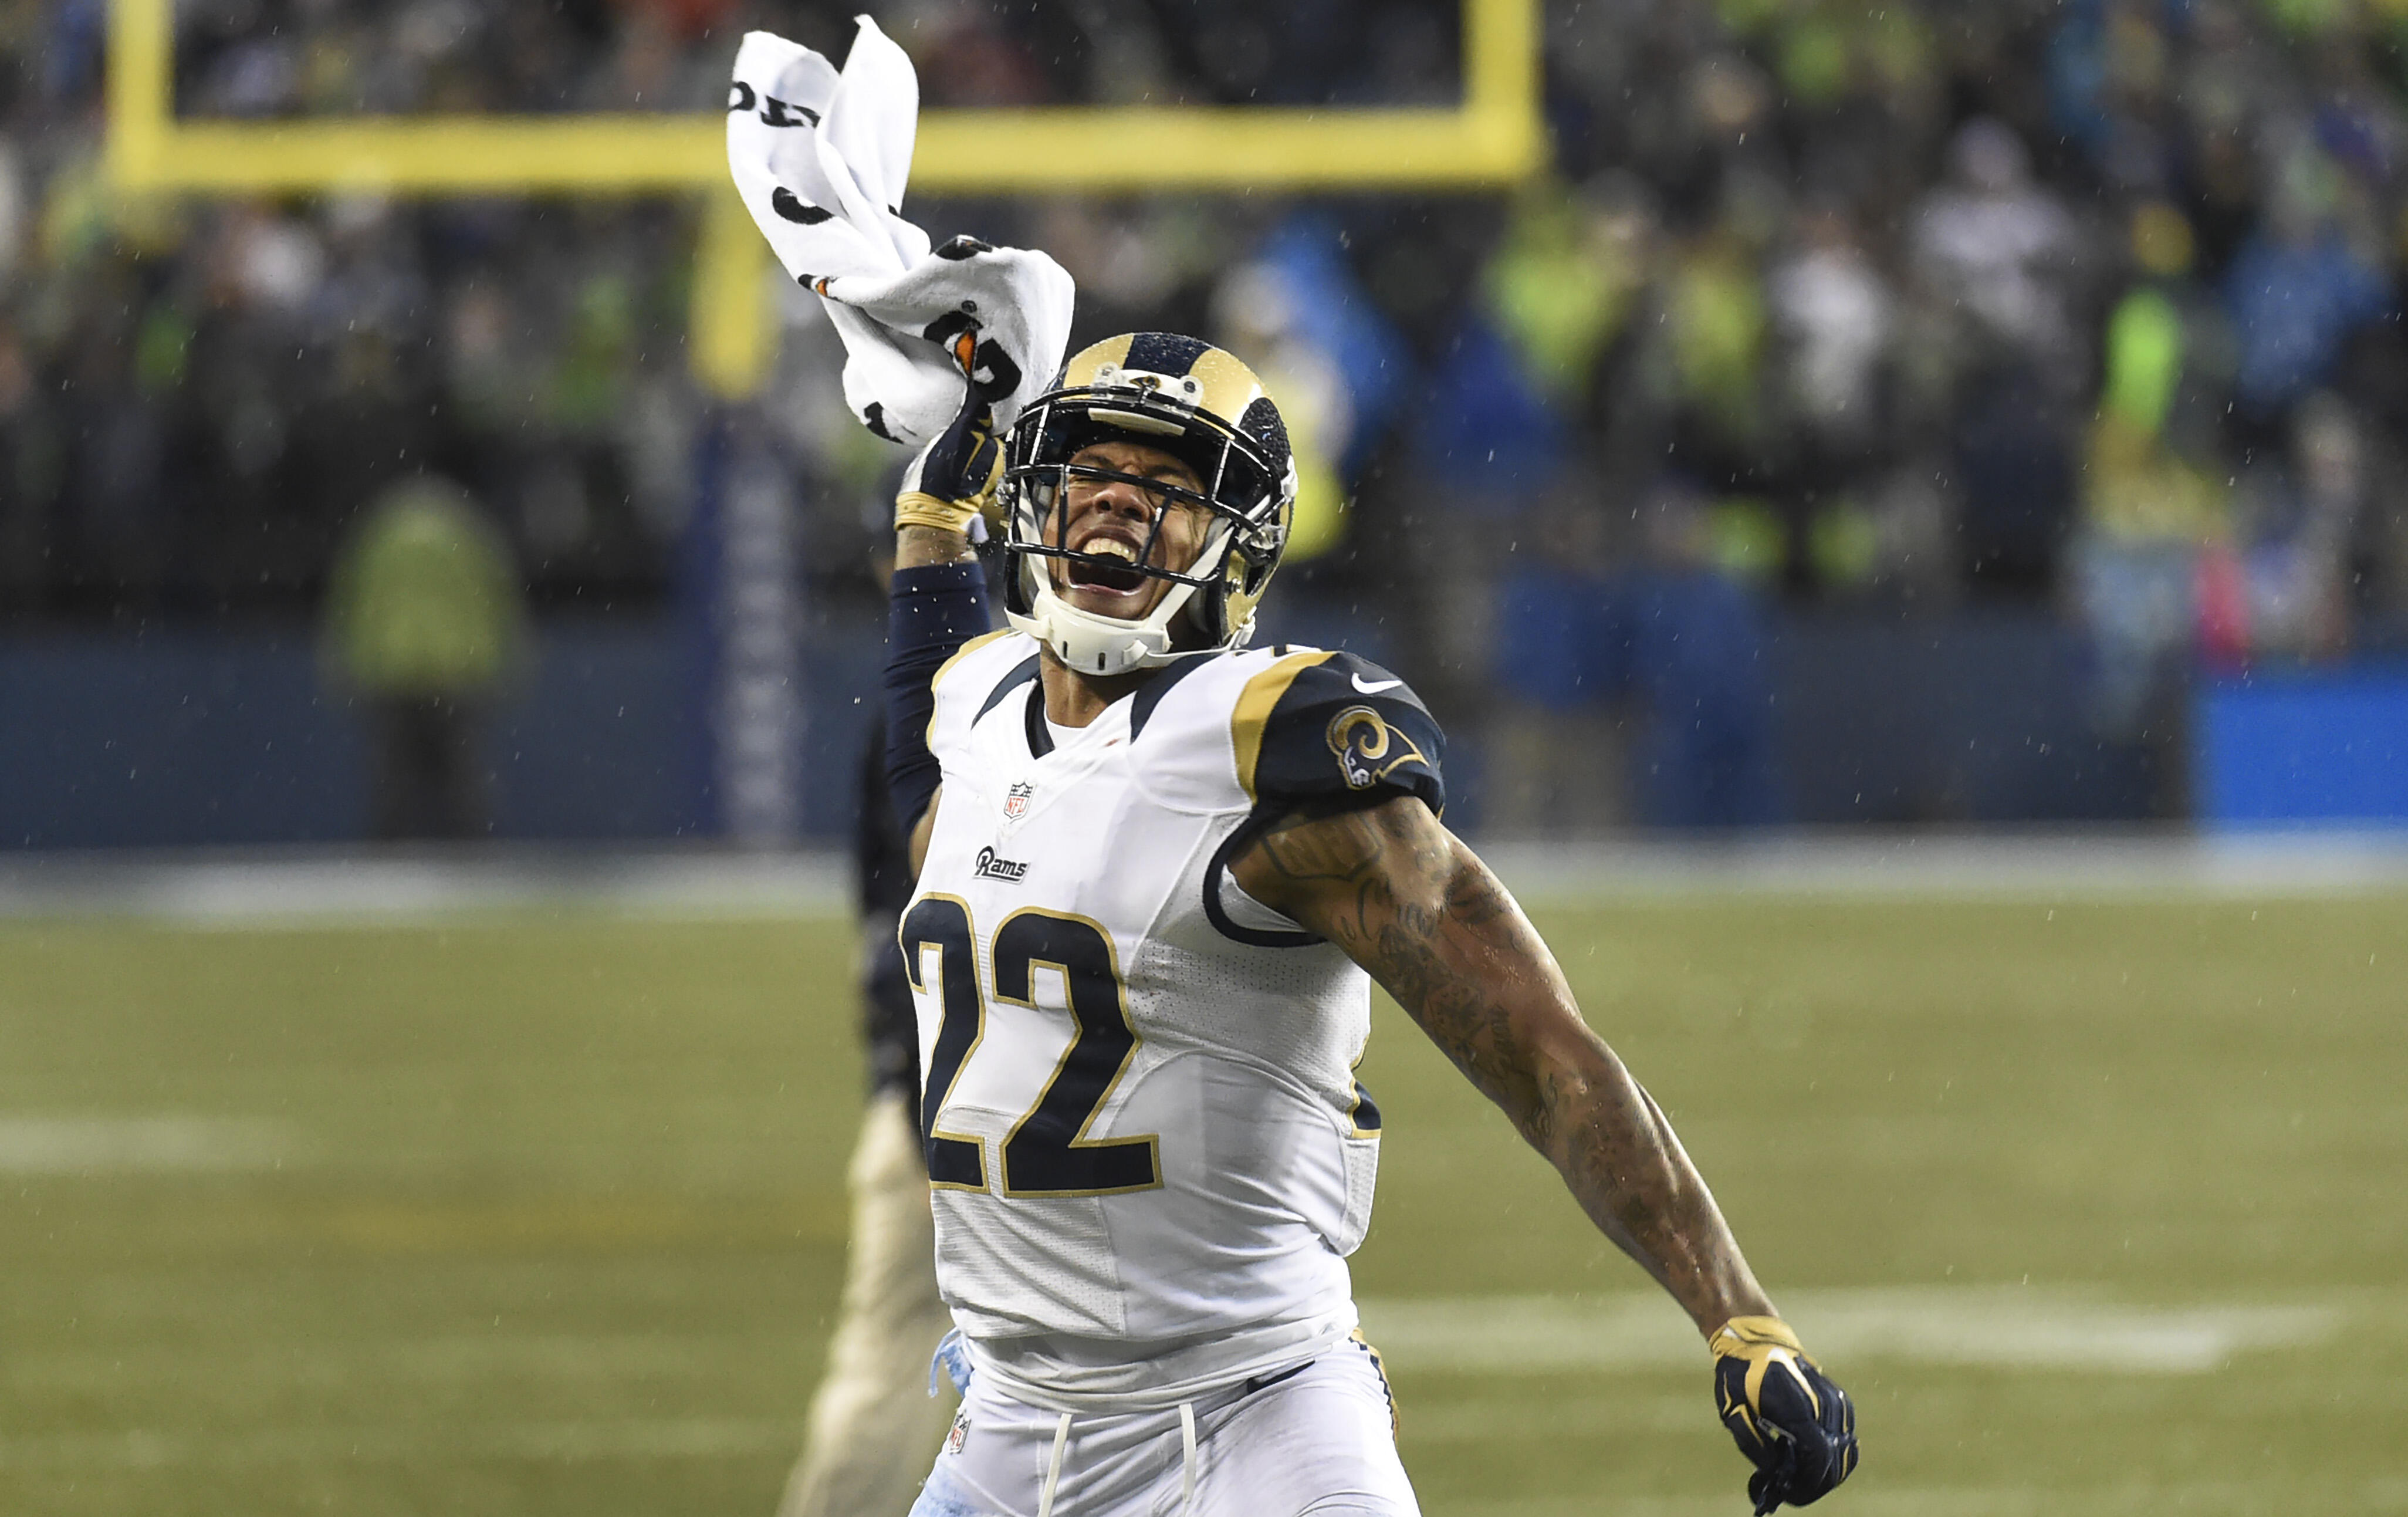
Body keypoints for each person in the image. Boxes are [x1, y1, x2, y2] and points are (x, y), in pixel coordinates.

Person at [881, 332, 1858, 1517]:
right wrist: (930, 527)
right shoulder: (977, 709)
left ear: (1237, 544)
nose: (1118, 506)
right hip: (1008, 1428)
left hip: (1256, 1420)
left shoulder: (1265, 753)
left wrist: (1737, 1317)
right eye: (1094, 472)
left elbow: (1546, 1057)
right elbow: (934, 776)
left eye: (1170, 488)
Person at [775, 716, 961, 1517]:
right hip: (966, 1111)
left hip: (956, 1100)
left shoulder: (936, 705)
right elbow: (932, 943)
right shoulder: (974, 707)